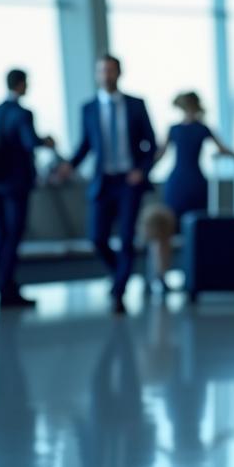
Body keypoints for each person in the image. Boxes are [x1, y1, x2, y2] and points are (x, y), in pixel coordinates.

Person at [59, 55, 156, 315]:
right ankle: (120, 275)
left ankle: (119, 292)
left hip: (129, 181)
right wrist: (69, 166)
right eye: (102, 70)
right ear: (96, 74)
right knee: (97, 238)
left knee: (126, 238)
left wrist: (141, 170)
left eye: (111, 70)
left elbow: (151, 144)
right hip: (103, 181)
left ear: (119, 73)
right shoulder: (88, 108)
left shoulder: (136, 105)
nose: (106, 75)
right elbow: (85, 144)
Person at [0, 70, 55, 309]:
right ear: (21, 84)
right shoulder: (22, 113)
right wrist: (46, 141)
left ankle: (4, 284)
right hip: (14, 183)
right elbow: (30, 142)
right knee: (13, 234)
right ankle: (6, 287)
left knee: (0, 233)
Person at [146, 91, 234, 290]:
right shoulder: (190, 129)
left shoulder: (189, 129)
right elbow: (159, 154)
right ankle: (162, 274)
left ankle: (188, 275)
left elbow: (159, 154)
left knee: (191, 231)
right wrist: (142, 169)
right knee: (167, 230)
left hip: (188, 183)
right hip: (184, 183)